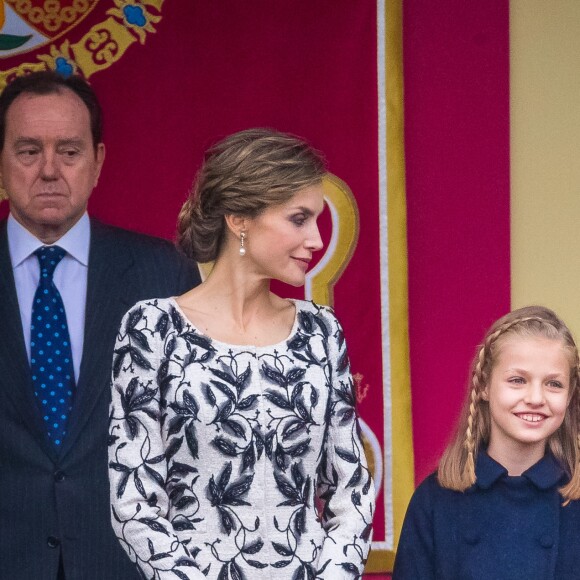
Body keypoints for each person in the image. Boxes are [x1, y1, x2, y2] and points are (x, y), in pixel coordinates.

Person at [108, 128, 375, 579]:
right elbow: (134, 503)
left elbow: (352, 490)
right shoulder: (152, 328)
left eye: (317, 220)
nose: (316, 239)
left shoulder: (321, 332)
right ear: (239, 219)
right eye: (299, 218)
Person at [0, 70, 201, 580]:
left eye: (68, 151)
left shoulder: (164, 273)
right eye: (28, 151)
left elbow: (190, 439)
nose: (49, 170)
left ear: (98, 162)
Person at [392, 306, 580, 580]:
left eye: (554, 384)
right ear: (483, 385)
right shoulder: (435, 500)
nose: (536, 398)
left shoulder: (573, 502)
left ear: (570, 394)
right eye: (517, 380)